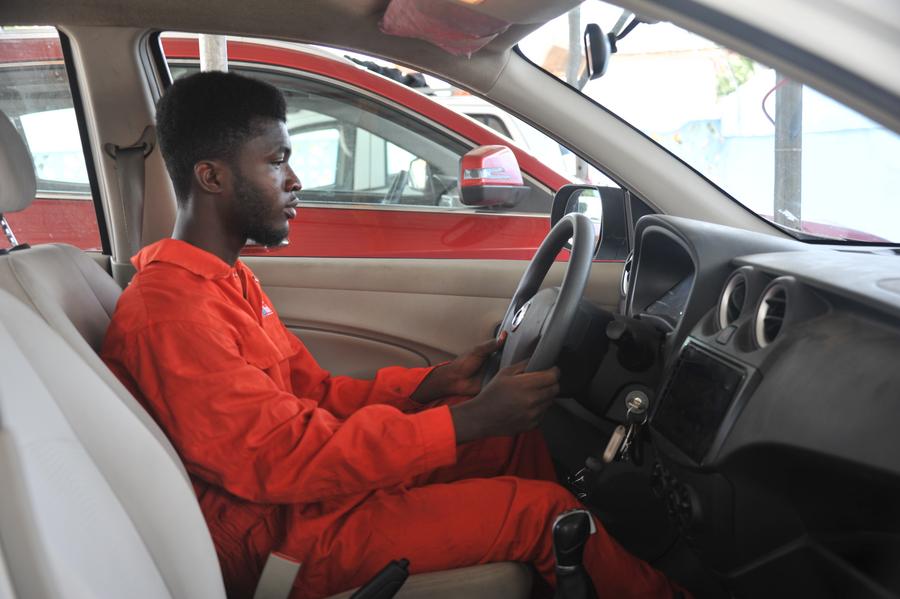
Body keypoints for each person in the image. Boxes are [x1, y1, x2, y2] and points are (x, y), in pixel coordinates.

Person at [102, 71, 685, 599]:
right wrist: (467, 420)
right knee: (542, 511)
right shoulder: (170, 312)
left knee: (510, 442)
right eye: (277, 161)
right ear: (212, 177)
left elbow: (316, 395)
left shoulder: (227, 280)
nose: (295, 179)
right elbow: (280, 461)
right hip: (281, 539)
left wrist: (432, 386)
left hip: (306, 501)